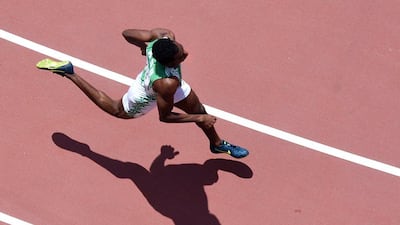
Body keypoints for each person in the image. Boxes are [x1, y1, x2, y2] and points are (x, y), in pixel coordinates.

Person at [36, 28, 249, 158]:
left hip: (174, 84)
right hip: (150, 89)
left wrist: (142, 44)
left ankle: (218, 145)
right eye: (181, 57)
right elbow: (165, 117)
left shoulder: (163, 37)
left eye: (180, 48)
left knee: (198, 108)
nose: (185, 53)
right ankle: (69, 73)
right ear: (170, 63)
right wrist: (199, 119)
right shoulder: (165, 83)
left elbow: (126, 33)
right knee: (117, 110)